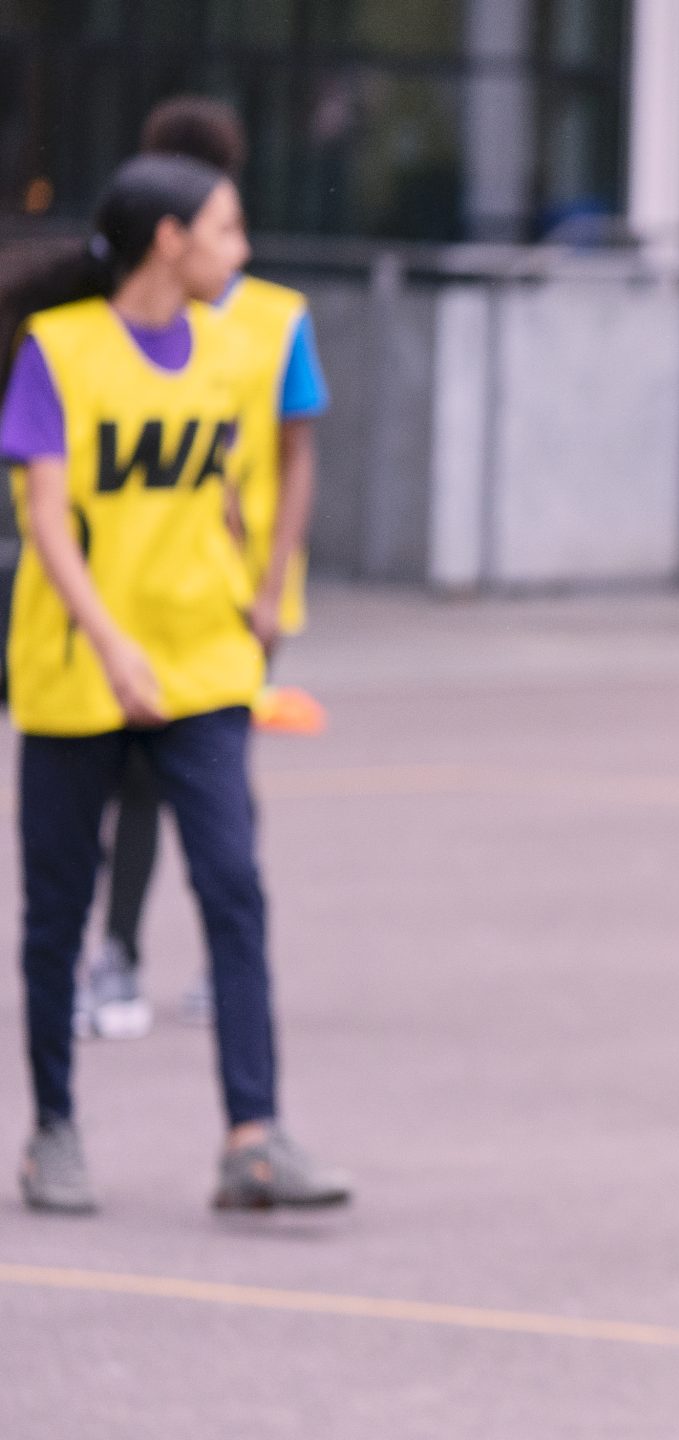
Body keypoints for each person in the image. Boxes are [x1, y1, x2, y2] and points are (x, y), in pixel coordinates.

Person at [0, 154, 348, 1213]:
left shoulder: (236, 353)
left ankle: (254, 1134)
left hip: (201, 664)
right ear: (169, 239)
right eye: (226, 231)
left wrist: (266, 591)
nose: (238, 254)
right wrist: (110, 645)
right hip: (79, 670)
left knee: (234, 889)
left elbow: (278, 469)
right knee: (58, 911)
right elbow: (46, 521)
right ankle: (55, 1127)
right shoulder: (58, 354)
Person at [70, 95, 331, 1044]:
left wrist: (267, 587)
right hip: (121, 592)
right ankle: (122, 954)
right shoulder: (95, 331)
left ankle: (207, 956)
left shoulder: (266, 322)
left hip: (226, 597)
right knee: (132, 780)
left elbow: (296, 453)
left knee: (208, 774)